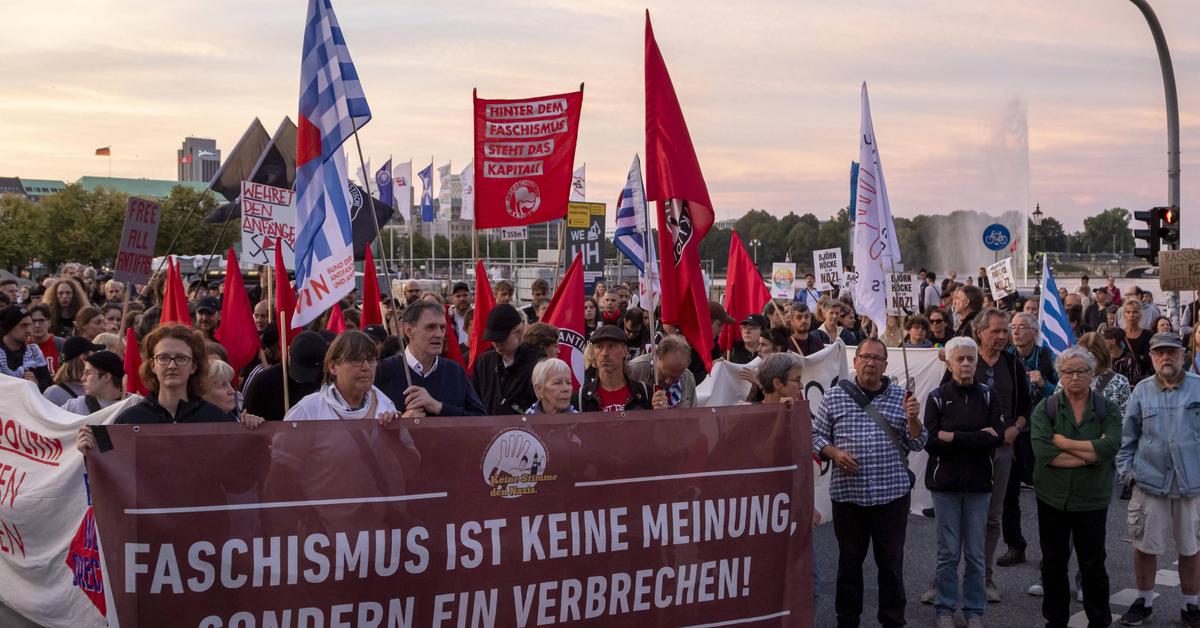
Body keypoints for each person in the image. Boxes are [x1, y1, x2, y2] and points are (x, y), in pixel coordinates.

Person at [813, 338, 925, 628]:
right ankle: (847, 621)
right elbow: (815, 436)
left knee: (890, 565)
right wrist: (834, 452)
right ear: (856, 361)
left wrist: (914, 420)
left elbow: (917, 442)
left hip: (891, 497)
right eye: (865, 357)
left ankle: (892, 621)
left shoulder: (901, 396)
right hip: (849, 498)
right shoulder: (836, 396)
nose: (871, 363)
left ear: (886, 365)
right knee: (849, 564)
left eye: (877, 359)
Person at [1031, 345, 1121, 628]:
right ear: (1059, 374)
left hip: (1091, 499)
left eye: (1081, 371)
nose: (1074, 377)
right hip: (1052, 498)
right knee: (1053, 564)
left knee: (1093, 566)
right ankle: (1055, 621)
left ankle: (1099, 621)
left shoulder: (1108, 408)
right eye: (1067, 371)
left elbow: (1109, 447)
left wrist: (1065, 443)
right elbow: (1045, 454)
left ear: (1092, 374)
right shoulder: (1046, 408)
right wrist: (1089, 457)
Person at [946, 308, 1031, 602]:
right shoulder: (964, 358)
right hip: (965, 452)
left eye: (1005, 331)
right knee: (955, 516)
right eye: (996, 330)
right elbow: (945, 400)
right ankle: (943, 580)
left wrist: (1016, 428)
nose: (1002, 336)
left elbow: (1025, 407)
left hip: (1002, 452)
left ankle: (986, 578)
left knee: (992, 518)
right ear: (979, 331)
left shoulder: (1013, 363)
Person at [1116, 332, 1200, 627]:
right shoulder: (1142, 390)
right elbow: (1128, 438)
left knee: (1191, 547)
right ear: (1151, 358)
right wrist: (1129, 476)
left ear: (1183, 355)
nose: (1166, 357)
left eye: (1172, 352)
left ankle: (1191, 606)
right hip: (1150, 483)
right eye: (1159, 353)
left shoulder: (1198, 389)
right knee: (1145, 545)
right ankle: (1144, 600)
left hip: (1191, 485)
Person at [925, 336, 1004, 628]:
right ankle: (944, 608)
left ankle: (974, 611)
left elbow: (995, 436)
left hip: (979, 485)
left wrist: (954, 436)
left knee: (974, 553)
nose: (967, 364)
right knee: (947, 553)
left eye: (971, 358)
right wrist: (973, 437)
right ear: (949, 362)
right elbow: (931, 441)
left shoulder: (988, 396)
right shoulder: (936, 397)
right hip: (945, 485)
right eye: (960, 359)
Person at [76, 325, 237, 439]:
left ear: (194, 366)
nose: (172, 365)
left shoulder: (216, 419)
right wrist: (90, 450)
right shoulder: (130, 420)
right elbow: (114, 472)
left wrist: (254, 429)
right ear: (153, 365)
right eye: (163, 358)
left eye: (181, 358)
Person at [377, 300, 485, 417]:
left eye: (442, 327)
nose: (439, 334)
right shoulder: (383, 371)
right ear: (408, 330)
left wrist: (438, 407)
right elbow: (365, 427)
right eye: (430, 327)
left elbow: (479, 420)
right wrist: (402, 423)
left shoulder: (455, 371)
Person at [284, 330, 399, 425]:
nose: (366, 367)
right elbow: (281, 452)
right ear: (333, 367)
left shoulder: (386, 405)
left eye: (371, 360)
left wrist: (395, 434)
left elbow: (406, 450)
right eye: (356, 359)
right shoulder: (308, 410)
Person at [241, 331, 327, 421]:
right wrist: (252, 421)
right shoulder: (263, 382)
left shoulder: (326, 382)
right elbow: (246, 419)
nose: (301, 380)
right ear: (289, 354)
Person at [472, 303, 539, 415]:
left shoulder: (537, 363)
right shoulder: (483, 362)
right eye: (493, 339)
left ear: (518, 331)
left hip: (521, 430)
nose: (497, 344)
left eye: (501, 339)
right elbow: (473, 401)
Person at [577, 325, 657, 412]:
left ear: (625, 351)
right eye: (599, 347)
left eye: (611, 346)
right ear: (593, 352)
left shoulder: (645, 393)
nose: (604, 353)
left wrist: (660, 411)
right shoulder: (582, 398)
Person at [630, 334, 696, 409]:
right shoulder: (634, 371)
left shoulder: (688, 378)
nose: (668, 381)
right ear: (657, 357)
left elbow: (693, 415)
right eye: (663, 375)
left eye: (675, 378)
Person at [0, 306, 52, 390]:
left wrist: (36, 383)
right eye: (23, 325)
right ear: (9, 326)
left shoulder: (33, 351)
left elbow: (47, 385)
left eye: (29, 325)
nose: (29, 330)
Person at [43, 336, 104, 406]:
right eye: (94, 354)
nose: (96, 359)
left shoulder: (96, 387)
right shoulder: (53, 393)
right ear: (84, 357)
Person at [62, 350, 127, 414]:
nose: (82, 379)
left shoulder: (133, 404)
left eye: (88, 373)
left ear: (106, 377)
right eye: (84, 373)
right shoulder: (75, 406)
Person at [450, 281, 471, 349]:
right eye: (458, 296)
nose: (462, 299)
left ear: (470, 296)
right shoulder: (448, 318)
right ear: (452, 299)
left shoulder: (478, 317)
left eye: (465, 295)